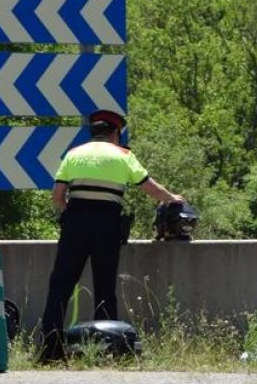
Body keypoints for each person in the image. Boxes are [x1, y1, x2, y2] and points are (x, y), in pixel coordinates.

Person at [38, 109, 184, 362]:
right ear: (115, 132)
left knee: (60, 286)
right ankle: (107, 350)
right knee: (105, 287)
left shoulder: (74, 154)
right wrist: (172, 198)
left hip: (76, 222)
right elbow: (149, 187)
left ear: (93, 132)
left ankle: (50, 351)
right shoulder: (123, 155)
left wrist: (68, 214)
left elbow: (58, 195)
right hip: (107, 223)